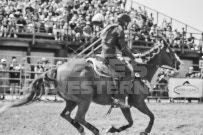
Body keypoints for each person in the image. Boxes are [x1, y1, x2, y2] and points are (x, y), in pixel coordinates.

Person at [99, 13, 138, 108]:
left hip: (104, 54)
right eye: (128, 22)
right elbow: (123, 47)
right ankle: (118, 99)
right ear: (125, 22)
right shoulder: (120, 29)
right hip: (111, 56)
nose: (128, 24)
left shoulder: (111, 27)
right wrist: (132, 57)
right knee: (129, 73)